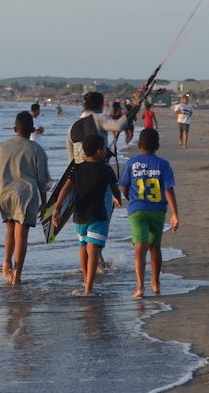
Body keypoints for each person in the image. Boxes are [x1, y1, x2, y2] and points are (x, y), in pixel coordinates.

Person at [0, 112, 51, 285]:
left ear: (14, 129)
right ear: (32, 130)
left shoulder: (3, 146)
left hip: (3, 193)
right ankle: (17, 275)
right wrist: (44, 203)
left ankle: (6, 263)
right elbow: (43, 179)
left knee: (9, 230)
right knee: (21, 235)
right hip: (25, 195)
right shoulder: (36, 149)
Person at [51, 134, 121, 295]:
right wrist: (118, 198)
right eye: (103, 149)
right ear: (98, 152)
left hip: (80, 214)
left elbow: (66, 188)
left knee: (83, 247)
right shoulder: (106, 169)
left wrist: (57, 208)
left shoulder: (77, 168)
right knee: (93, 250)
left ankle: (85, 282)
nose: (104, 152)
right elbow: (114, 188)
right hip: (98, 215)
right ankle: (89, 287)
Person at [67, 92, 128, 273]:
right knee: (101, 222)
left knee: (85, 226)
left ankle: (95, 262)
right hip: (101, 180)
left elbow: (72, 160)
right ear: (101, 105)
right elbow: (118, 126)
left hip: (80, 179)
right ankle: (96, 264)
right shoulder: (99, 118)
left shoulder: (72, 127)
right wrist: (131, 110)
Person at [119, 128, 180, 299]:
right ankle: (155, 282)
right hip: (157, 211)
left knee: (140, 247)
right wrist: (174, 213)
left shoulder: (131, 164)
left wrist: (129, 197)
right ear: (157, 146)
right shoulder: (163, 164)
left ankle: (140, 287)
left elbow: (123, 186)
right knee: (155, 247)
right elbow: (169, 189)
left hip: (137, 210)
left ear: (139, 145)